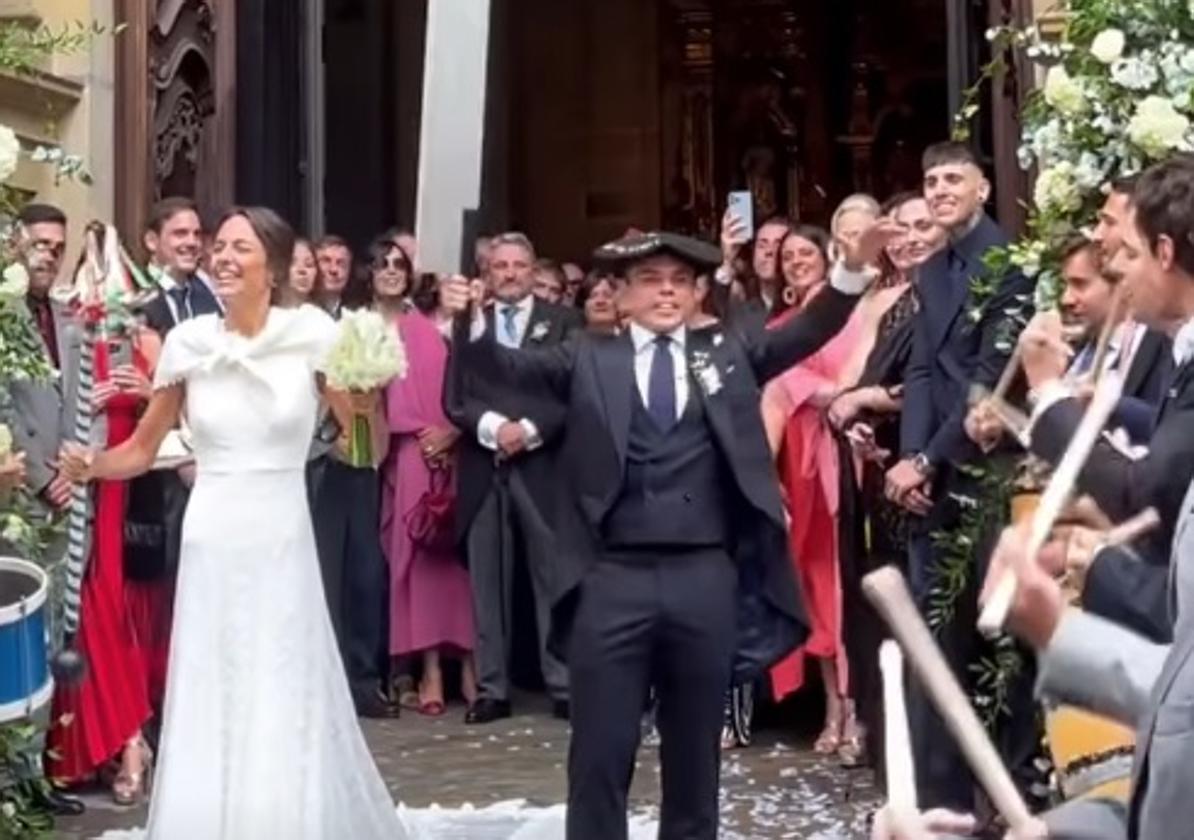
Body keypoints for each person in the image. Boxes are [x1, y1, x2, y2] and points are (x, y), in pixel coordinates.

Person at [443, 223, 896, 840]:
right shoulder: (586, 355)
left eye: (680, 282)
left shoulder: (725, 354)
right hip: (611, 576)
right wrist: (468, 318)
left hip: (701, 574)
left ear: (696, 296)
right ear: (621, 296)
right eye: (651, 282)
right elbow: (504, 367)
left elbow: (807, 333)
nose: (666, 293)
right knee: (601, 749)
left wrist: (849, 271)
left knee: (694, 755)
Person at [59, 207, 408, 838]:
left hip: (279, 534)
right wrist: (91, 465)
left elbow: (362, 449)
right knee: (213, 682)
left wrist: (367, 391)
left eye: (237, 248)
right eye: (218, 246)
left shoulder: (310, 335)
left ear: (271, 267)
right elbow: (141, 450)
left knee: (277, 680)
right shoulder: (190, 343)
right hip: (212, 532)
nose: (220, 257)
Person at [882, 142, 1036, 812]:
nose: (939, 190)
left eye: (952, 179)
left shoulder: (1008, 264)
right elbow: (920, 371)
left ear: (983, 186)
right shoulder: (934, 267)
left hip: (984, 469)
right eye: (929, 180)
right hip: (931, 476)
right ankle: (945, 799)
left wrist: (930, 456)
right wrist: (909, 458)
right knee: (936, 641)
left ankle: (1010, 794)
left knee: (996, 637)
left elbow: (989, 383)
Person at [443, 231, 581, 725]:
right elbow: (454, 395)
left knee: (552, 577)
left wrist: (527, 430)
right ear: (487, 274)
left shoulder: (565, 323)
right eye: (499, 266)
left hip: (542, 466)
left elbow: (572, 393)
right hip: (485, 465)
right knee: (487, 580)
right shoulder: (467, 325)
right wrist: (492, 428)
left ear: (532, 270)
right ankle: (492, 687)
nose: (509, 274)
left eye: (518, 265)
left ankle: (562, 682)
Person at [830, 191, 947, 771]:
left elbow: (943, 382)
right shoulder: (888, 299)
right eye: (897, 229)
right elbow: (853, 379)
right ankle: (891, 745)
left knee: (928, 613)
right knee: (882, 609)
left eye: (922, 226)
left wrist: (874, 399)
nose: (908, 239)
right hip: (879, 466)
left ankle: (931, 756)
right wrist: (853, 418)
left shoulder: (948, 292)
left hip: (928, 465)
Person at [45, 224, 160, 805]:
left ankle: (130, 740)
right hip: (74, 478)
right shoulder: (65, 338)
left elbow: (171, 414)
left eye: (108, 280)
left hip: (121, 482)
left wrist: (140, 391)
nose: (100, 295)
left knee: (106, 610)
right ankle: (81, 745)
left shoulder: (144, 342)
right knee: (78, 611)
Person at [760, 220, 869, 759]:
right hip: (799, 468)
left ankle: (857, 710)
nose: (797, 262)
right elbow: (771, 397)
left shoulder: (854, 314)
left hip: (850, 459)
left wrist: (830, 393)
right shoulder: (780, 325)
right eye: (788, 257)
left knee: (849, 584)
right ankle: (832, 704)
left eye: (806, 253)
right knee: (815, 588)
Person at [5, 202, 86, 817]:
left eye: (59, 246)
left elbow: (82, 404)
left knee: (53, 634)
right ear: (15, 243)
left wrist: (74, 467)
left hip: (63, 499)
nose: (49, 254)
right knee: (14, 640)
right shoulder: (4, 316)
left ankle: (35, 773)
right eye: (40, 243)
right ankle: (10, 781)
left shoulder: (68, 317)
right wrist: (38, 477)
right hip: (14, 501)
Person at [380, 255, 476, 716]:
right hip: (416, 454)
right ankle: (430, 668)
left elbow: (487, 385)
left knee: (464, 562)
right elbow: (392, 392)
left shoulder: (475, 325)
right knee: (420, 559)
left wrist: (456, 432)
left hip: (466, 449)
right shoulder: (405, 326)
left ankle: (474, 665)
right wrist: (424, 434)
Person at [311, 236, 399, 719]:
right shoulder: (297, 323)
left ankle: (365, 680)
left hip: (359, 455)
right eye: (325, 261)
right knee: (324, 571)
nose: (332, 269)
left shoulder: (361, 323)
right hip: (315, 457)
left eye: (342, 262)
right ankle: (325, 680)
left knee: (365, 570)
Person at [140, 197, 222, 335]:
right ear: (151, 241)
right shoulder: (132, 294)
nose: (192, 242)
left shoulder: (210, 293)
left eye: (197, 234)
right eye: (180, 233)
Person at [315, 235, 353, 317]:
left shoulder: (356, 317)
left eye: (341, 263)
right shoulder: (297, 312)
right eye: (326, 261)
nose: (334, 270)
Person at [278, 237, 322, 308]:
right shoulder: (264, 315)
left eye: (309, 264)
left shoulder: (321, 317)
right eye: (292, 263)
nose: (302, 270)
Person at [575, 270, 621, 334]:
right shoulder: (572, 342)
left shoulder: (632, 341)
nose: (600, 301)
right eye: (593, 296)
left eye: (607, 295)